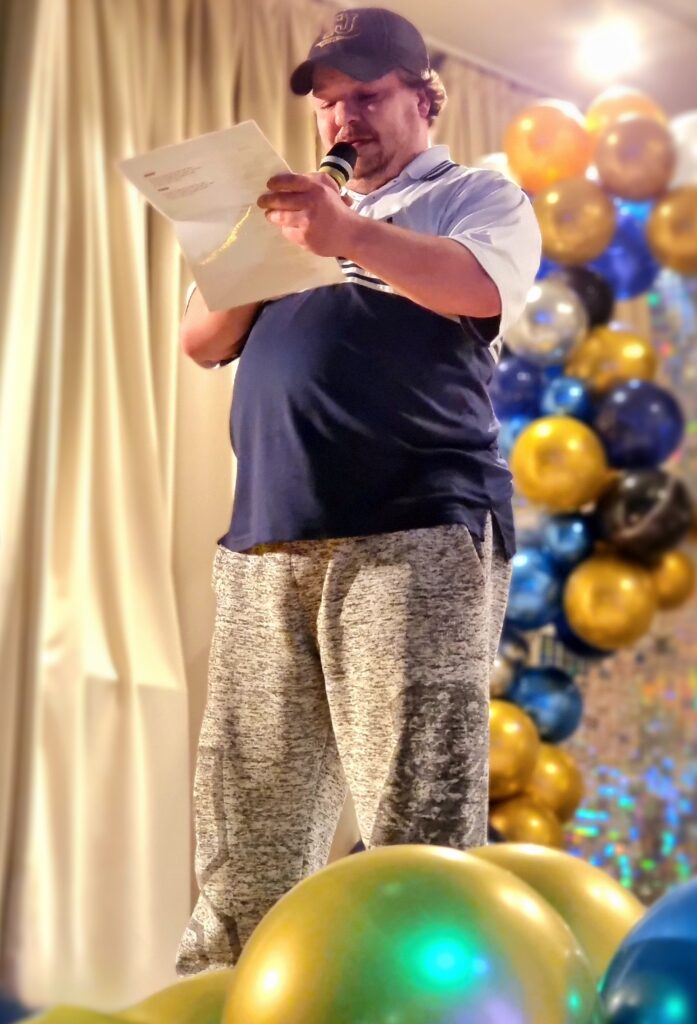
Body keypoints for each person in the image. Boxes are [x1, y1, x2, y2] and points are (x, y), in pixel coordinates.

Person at [176, 6, 541, 975]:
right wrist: (260, 247)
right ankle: (227, 994)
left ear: (425, 98)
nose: (344, 119)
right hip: (264, 539)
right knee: (246, 823)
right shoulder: (286, 214)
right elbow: (201, 339)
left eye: (367, 96)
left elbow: (476, 289)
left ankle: (422, 998)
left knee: (414, 822)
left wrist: (342, 233)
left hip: (412, 532)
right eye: (329, 104)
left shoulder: (475, 195)